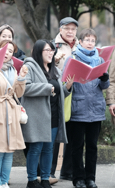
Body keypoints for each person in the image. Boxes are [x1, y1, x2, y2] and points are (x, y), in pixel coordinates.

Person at [21, 39, 73, 188]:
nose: (51, 53)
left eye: (52, 50)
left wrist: (67, 88)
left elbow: (57, 92)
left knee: (49, 149)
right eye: (47, 50)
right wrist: (46, 88)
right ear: (38, 51)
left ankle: (45, 179)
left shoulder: (54, 69)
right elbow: (25, 88)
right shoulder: (29, 66)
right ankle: (31, 180)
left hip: (54, 116)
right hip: (38, 116)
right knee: (36, 148)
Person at [64, 29, 109, 188]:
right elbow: (65, 84)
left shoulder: (100, 60)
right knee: (77, 147)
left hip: (96, 109)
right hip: (78, 109)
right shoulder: (72, 59)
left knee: (92, 147)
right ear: (80, 42)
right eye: (87, 40)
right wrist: (68, 85)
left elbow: (104, 86)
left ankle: (91, 178)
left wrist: (105, 79)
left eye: (92, 40)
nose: (90, 43)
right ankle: (78, 179)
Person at [0, 40, 28, 188]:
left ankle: (4, 181)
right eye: (5, 50)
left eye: (11, 51)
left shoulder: (13, 69)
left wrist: (21, 77)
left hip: (11, 110)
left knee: (10, 151)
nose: (8, 53)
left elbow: (18, 93)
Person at [51, 17, 79, 181]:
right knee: (55, 134)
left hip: (77, 93)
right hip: (58, 93)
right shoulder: (52, 46)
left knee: (72, 133)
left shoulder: (79, 46)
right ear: (60, 29)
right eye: (67, 28)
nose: (70, 32)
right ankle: (50, 171)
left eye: (73, 29)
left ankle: (67, 171)